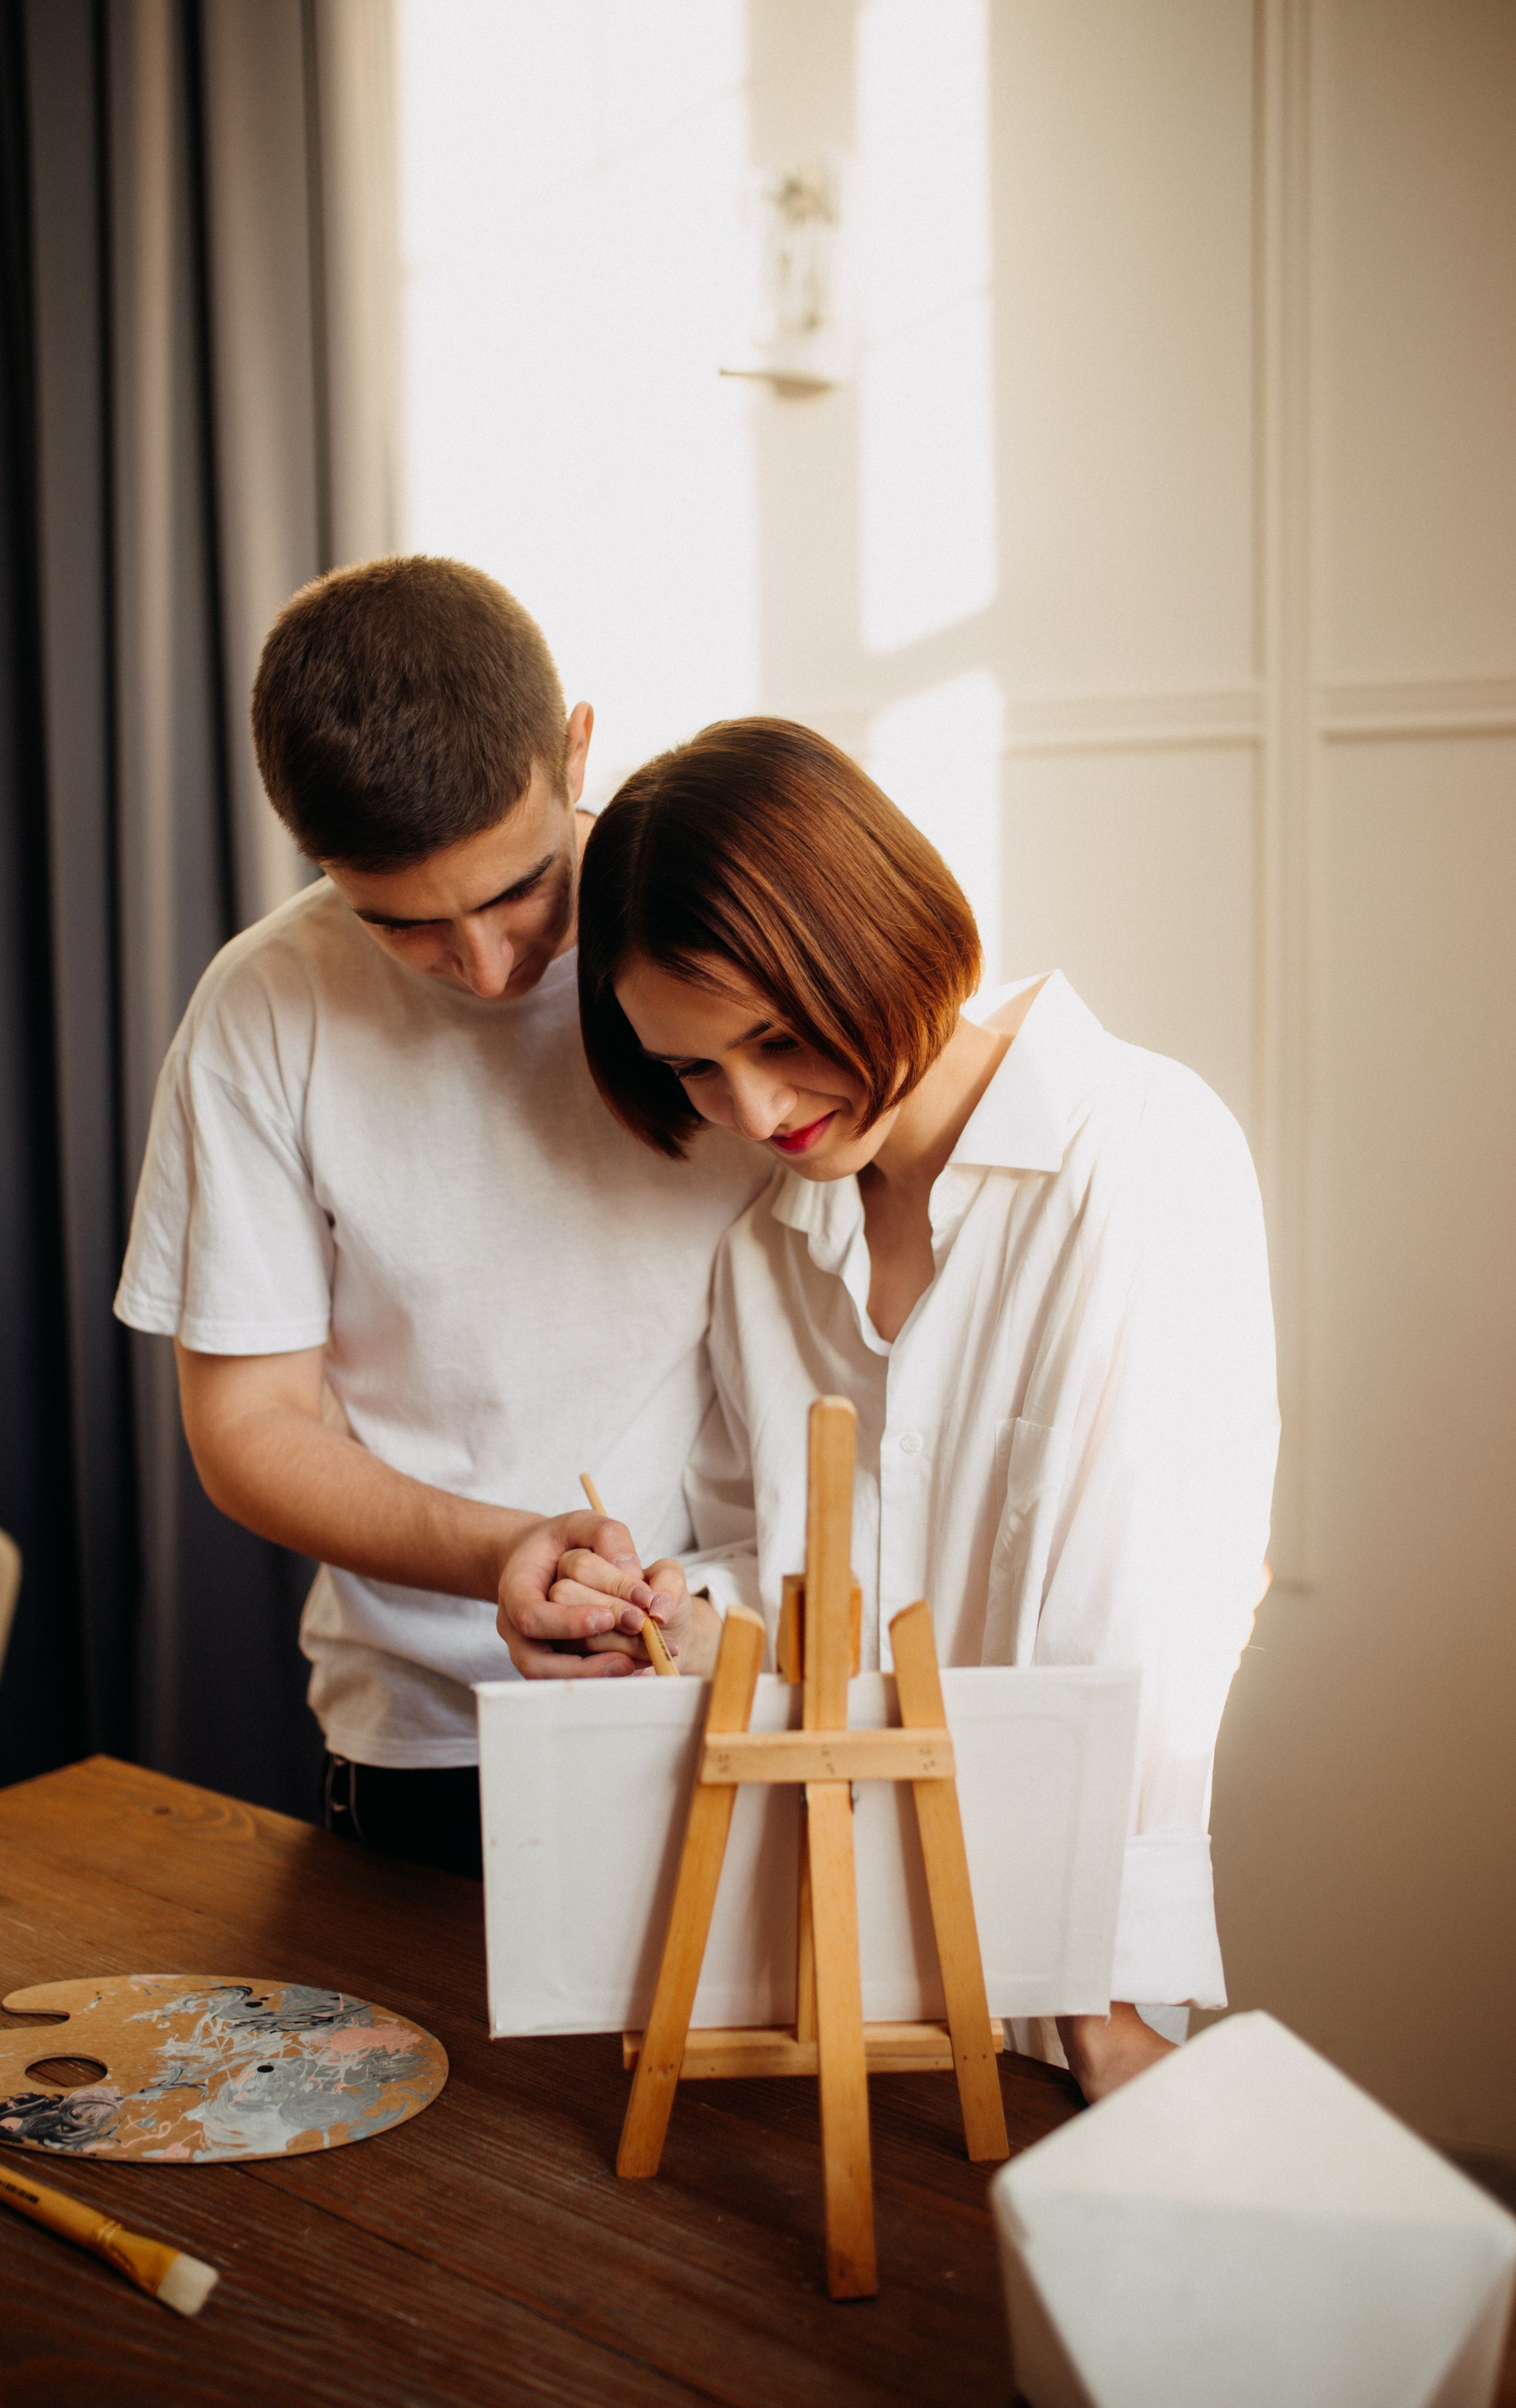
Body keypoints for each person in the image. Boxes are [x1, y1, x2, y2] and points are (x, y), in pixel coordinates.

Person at [566, 716, 1280, 2101]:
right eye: (692, 1068)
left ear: (877, 938)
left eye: (774, 1038)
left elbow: (1154, 1621)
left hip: (1060, 1992)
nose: (755, 1107)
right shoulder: (767, 1243)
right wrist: (654, 1610)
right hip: (818, 1958)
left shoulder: (1135, 1157)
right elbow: (773, 1571)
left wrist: (1104, 1994)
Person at [114, 559, 765, 1876]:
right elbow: (247, 1428)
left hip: (747, 1694)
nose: (483, 967)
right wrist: (504, 1553)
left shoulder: (730, 951)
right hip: (424, 1743)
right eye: (401, 925)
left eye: (517, 891)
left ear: (575, 745)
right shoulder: (263, 1009)